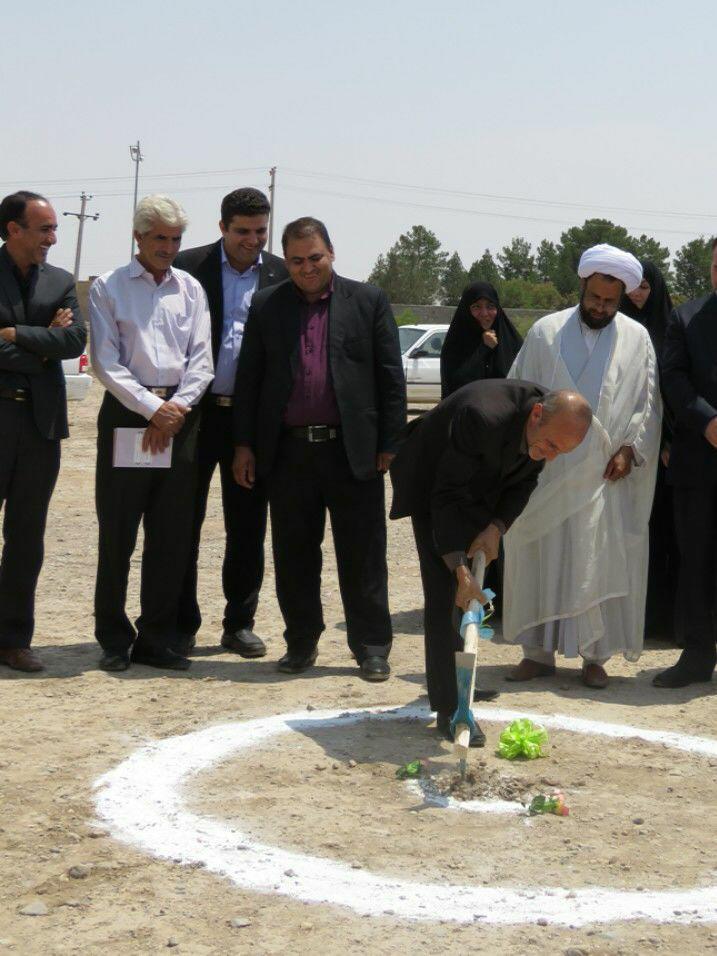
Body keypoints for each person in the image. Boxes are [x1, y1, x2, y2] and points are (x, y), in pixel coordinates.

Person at [233, 216, 406, 681]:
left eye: (315, 258)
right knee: (293, 555)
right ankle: (300, 642)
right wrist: (244, 444)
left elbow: (390, 376)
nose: (306, 268)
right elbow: (250, 379)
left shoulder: (367, 301)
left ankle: (371, 647)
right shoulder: (267, 306)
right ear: (285, 261)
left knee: (363, 555)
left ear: (331, 253)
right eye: (296, 260)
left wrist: (390, 442)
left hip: (352, 452)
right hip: (288, 455)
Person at [389, 382, 592, 744]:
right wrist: (459, 567)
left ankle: (460, 681)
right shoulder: (482, 417)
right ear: (536, 416)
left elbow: (524, 482)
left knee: (470, 597)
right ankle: (450, 707)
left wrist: (496, 527)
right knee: (447, 594)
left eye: (560, 452)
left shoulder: (547, 427)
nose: (550, 456)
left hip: (481, 481)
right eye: (550, 446)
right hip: (433, 483)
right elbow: (446, 496)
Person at [503, 243, 661, 688]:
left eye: (610, 301)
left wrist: (629, 449)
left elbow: (648, 405)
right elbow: (519, 396)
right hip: (548, 472)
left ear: (622, 297)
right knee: (541, 556)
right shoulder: (545, 332)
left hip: (604, 478)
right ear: (582, 287)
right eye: (595, 298)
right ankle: (537, 653)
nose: (601, 307)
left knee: (597, 562)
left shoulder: (637, 338)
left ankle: (595, 656)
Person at [89, 195, 213, 672]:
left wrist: (175, 408)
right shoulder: (109, 287)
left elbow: (201, 359)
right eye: (159, 237)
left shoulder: (191, 289)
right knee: (118, 533)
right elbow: (106, 362)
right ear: (138, 237)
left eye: (175, 238)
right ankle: (113, 639)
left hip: (181, 420)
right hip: (128, 416)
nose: (168, 247)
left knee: (171, 535)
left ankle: (156, 639)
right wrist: (152, 409)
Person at [173, 188, 288, 659]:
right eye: (242, 231)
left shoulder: (281, 273)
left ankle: (239, 623)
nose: (252, 240)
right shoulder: (188, 268)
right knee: (184, 522)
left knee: (247, 527)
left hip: (253, 423)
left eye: (260, 231)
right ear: (222, 227)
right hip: (196, 416)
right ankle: (181, 623)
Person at [0, 191, 86, 673]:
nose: (53, 237)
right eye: (45, 229)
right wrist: (43, 343)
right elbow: (54, 346)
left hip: (40, 427)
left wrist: (14, 335)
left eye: (54, 228)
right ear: (14, 229)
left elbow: (73, 341)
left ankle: (13, 640)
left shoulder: (59, 281)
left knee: (26, 536)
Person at [653, 237, 717, 688]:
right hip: (699, 461)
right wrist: (707, 420)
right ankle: (697, 656)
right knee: (697, 562)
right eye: (716, 265)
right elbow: (671, 376)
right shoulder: (686, 317)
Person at [620, 262, 679, 641]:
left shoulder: (672, 329)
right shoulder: (617, 329)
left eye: (644, 286)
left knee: (665, 534)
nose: (638, 294)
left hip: (665, 452)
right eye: (632, 287)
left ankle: (663, 618)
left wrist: (668, 441)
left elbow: (672, 391)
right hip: (624, 451)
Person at [440, 282, 523, 398]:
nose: (484, 313)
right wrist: (483, 349)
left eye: (490, 306)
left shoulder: (512, 343)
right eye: (476, 307)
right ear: (466, 310)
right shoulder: (455, 345)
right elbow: (456, 385)